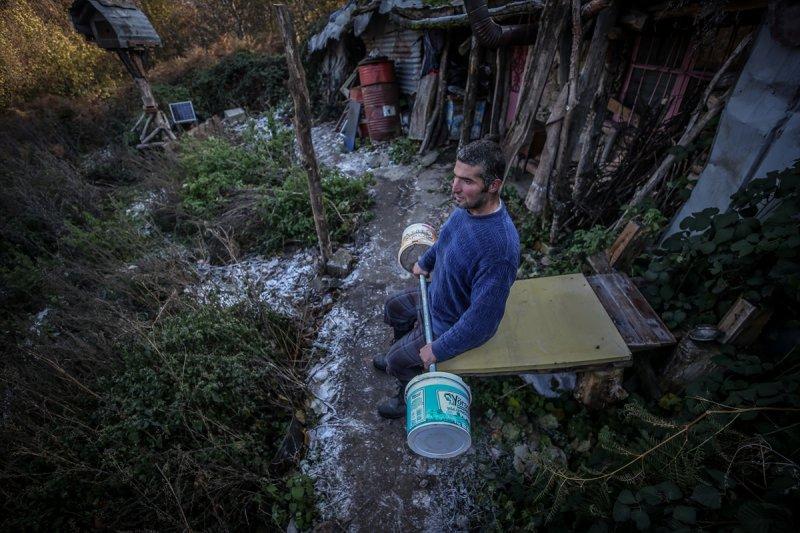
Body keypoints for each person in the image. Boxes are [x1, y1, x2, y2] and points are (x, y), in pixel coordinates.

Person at [374, 139, 520, 418]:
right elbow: (445, 241)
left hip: (451, 322)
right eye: (455, 177)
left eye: (466, 181)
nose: (454, 188)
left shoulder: (499, 250)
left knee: (396, 361)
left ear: (493, 186)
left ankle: (405, 388)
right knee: (394, 306)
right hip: (438, 294)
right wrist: (425, 261)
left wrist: (440, 349)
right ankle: (401, 352)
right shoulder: (467, 208)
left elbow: (482, 322)